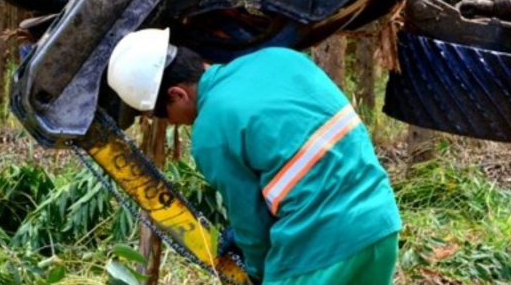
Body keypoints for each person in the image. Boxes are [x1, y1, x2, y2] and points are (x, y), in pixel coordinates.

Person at [107, 28, 402, 285]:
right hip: (379, 224)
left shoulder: (211, 130)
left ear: (177, 94)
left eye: (163, 114)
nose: (170, 123)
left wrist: (256, 273)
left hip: (319, 248)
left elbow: (251, 223)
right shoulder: (279, 58)